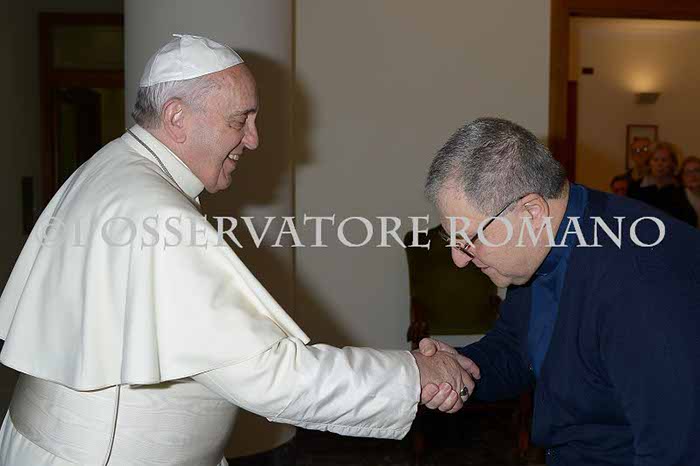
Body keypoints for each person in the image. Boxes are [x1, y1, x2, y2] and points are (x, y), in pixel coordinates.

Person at [0, 35, 475, 466]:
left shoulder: (114, 167)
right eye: (239, 120)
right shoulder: (155, 213)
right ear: (177, 118)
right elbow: (273, 377)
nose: (253, 139)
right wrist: (412, 374)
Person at [418, 117, 700, 465]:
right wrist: (455, 368)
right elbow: (517, 348)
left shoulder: (641, 283)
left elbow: (675, 451)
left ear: (532, 212)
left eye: (468, 239)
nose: (458, 259)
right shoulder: (538, 248)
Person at [629, 142, 696, 225]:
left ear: (673, 163)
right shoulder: (635, 187)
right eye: (655, 160)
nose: (659, 164)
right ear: (649, 163)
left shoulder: (681, 187)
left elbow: (690, 219)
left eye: (664, 160)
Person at [680, 155, 700, 228]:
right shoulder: (675, 198)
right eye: (688, 172)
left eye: (697, 171)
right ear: (683, 177)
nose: (693, 175)